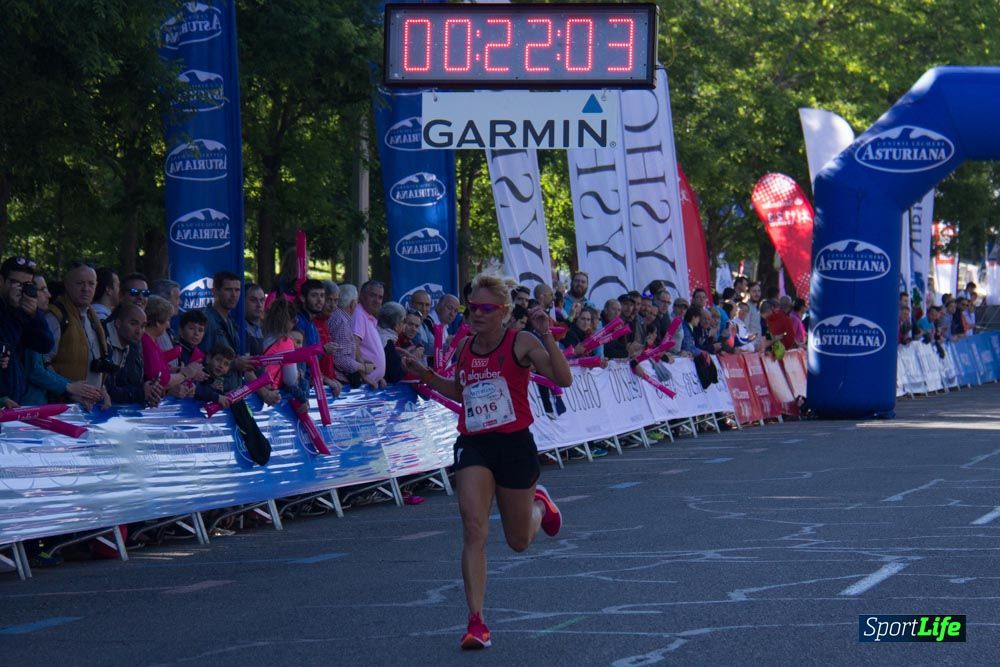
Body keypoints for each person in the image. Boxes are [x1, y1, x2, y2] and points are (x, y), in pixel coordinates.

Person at [400, 272, 572, 650]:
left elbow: (563, 378)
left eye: (485, 308)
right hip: (474, 444)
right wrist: (425, 375)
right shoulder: (465, 346)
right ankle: (476, 621)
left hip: (514, 445)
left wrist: (546, 334)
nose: (476, 314)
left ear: (504, 312)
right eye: (471, 307)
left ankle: (539, 507)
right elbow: (461, 394)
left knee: (518, 541)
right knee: (474, 527)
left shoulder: (521, 341)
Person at [21, 273, 103, 407]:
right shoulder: (39, 322)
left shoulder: (91, 316)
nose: (49, 295)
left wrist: (94, 390)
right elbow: (35, 370)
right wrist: (69, 387)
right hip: (26, 409)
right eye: (42, 290)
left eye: (91, 283)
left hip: (37, 406)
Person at [1, 257, 56, 405]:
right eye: (15, 283)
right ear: (1, 281)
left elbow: (45, 345)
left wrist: (34, 315)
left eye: (26, 285)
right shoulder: (9, 313)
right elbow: (6, 343)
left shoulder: (20, 313)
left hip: (13, 402)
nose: (20, 289)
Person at [46, 261, 106, 390]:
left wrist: (103, 392)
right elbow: (43, 363)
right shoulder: (55, 316)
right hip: (64, 404)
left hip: (91, 404)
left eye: (91, 284)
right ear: (67, 285)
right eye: (79, 283)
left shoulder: (93, 318)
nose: (86, 288)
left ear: (96, 286)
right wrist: (67, 389)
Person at [104, 302, 163, 407]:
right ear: (118, 323)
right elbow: (108, 391)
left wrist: (150, 391)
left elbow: (129, 385)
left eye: (143, 326)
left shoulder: (131, 345)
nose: (139, 331)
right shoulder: (103, 343)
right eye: (133, 323)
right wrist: (141, 393)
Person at [353, 280, 387, 388]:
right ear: (362, 296)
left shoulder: (368, 317)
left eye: (380, 297)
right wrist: (364, 376)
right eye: (373, 296)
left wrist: (378, 376)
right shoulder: (359, 314)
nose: (377, 301)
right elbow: (354, 346)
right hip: (363, 385)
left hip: (372, 384)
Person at [377, 301, 407, 383]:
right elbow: (393, 375)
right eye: (404, 320)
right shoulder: (387, 343)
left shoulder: (375, 333)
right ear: (396, 325)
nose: (405, 324)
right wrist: (405, 363)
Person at [244, 283, 266, 356]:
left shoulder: (266, 328)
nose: (259, 305)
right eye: (253, 300)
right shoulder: (237, 327)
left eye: (262, 300)